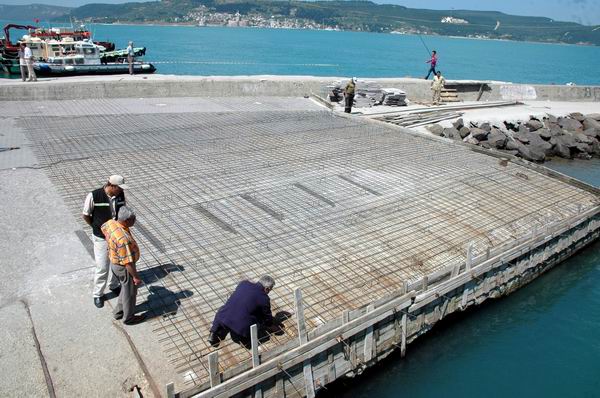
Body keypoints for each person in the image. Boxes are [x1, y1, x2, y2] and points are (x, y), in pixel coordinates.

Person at [82, 175, 128, 308]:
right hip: (101, 238)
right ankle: (98, 294)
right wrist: (96, 227)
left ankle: (113, 285)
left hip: (116, 236)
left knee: (116, 263)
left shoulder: (120, 195)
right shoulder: (94, 195)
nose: (121, 191)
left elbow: (122, 210)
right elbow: (85, 215)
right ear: (112, 186)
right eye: (119, 188)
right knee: (102, 266)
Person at [208, 276, 287, 349]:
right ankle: (244, 341)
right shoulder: (264, 299)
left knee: (228, 309)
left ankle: (214, 332)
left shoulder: (244, 283)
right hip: (240, 329)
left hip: (223, 318)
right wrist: (271, 326)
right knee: (258, 319)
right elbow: (267, 319)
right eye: (270, 289)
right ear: (267, 289)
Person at [101, 206, 145, 325]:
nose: (135, 221)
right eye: (133, 219)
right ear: (126, 221)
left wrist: (111, 246)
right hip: (124, 268)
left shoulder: (111, 223)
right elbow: (128, 263)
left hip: (115, 263)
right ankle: (129, 318)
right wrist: (136, 277)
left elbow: (103, 229)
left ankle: (119, 312)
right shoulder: (123, 239)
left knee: (125, 290)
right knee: (130, 293)